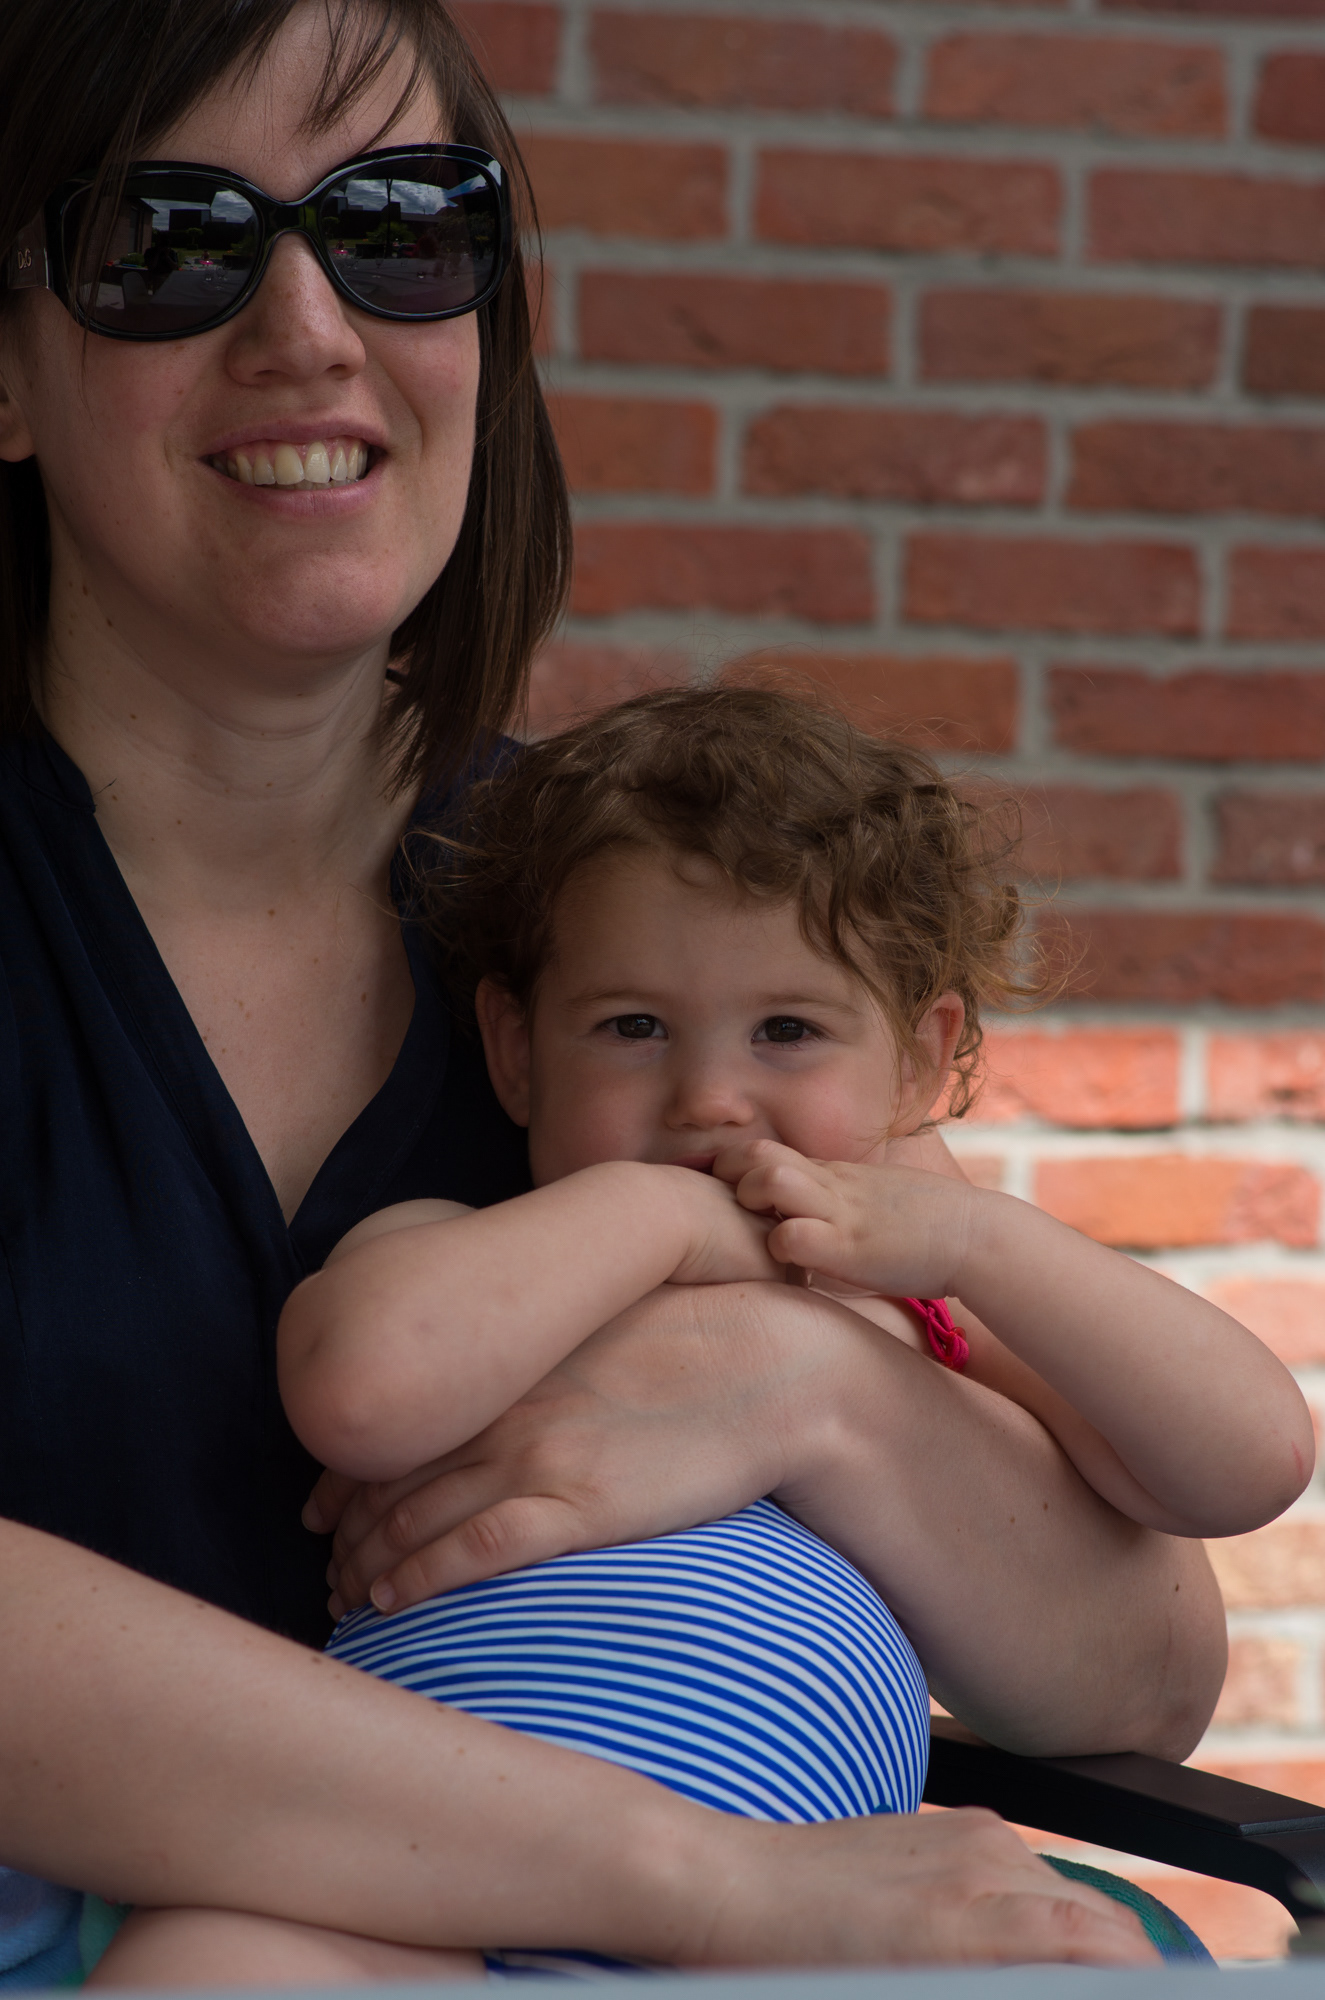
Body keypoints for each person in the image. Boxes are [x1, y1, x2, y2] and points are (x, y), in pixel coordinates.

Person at [0, 0, 1234, 1984]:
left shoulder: (641, 914)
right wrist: (705, 1884)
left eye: (401, 225)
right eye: (171, 242)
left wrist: (802, 1393)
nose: (308, 327)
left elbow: (1141, 1675)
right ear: (9, 361)